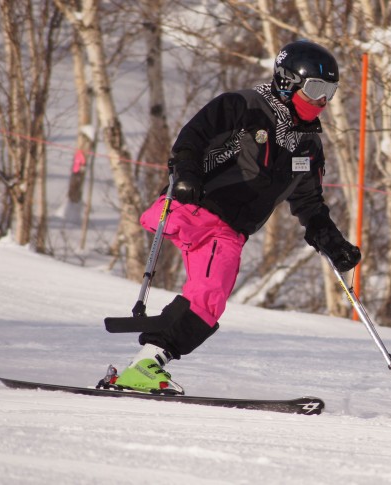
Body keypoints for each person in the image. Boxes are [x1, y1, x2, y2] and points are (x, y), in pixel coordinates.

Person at [111, 40, 361, 394]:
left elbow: (310, 203)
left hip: (229, 231)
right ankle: (147, 363)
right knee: (211, 292)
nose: (323, 101)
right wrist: (185, 175)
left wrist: (332, 241)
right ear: (288, 81)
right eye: (316, 89)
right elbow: (192, 137)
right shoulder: (245, 106)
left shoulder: (307, 147)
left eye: (330, 92)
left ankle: (146, 363)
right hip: (196, 206)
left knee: (210, 300)